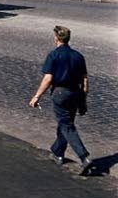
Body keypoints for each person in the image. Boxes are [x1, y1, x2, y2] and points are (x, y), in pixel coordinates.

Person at [29, 25, 93, 175]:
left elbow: (48, 78)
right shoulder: (78, 56)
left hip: (60, 93)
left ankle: (84, 157)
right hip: (75, 92)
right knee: (65, 123)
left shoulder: (54, 55)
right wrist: (83, 100)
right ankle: (57, 152)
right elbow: (84, 80)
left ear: (56, 38)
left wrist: (37, 96)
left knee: (67, 125)